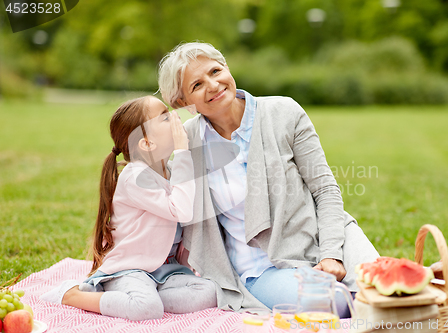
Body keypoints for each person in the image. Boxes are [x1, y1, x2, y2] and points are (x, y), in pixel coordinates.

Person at [157, 42, 379, 317]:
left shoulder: (284, 112)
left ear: (227, 68)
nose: (213, 85)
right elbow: (173, 208)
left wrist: (331, 253)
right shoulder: (187, 143)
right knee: (336, 303)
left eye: (215, 71)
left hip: (328, 236)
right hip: (261, 267)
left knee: (383, 293)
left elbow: (325, 190)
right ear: (182, 102)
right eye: (197, 85)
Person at [40, 96, 217, 320]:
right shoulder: (134, 176)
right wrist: (183, 152)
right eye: (164, 117)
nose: (174, 117)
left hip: (162, 271)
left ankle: (135, 299)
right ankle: (72, 295)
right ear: (147, 143)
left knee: (209, 291)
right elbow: (180, 210)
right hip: (129, 269)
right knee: (147, 310)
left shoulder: (173, 172)